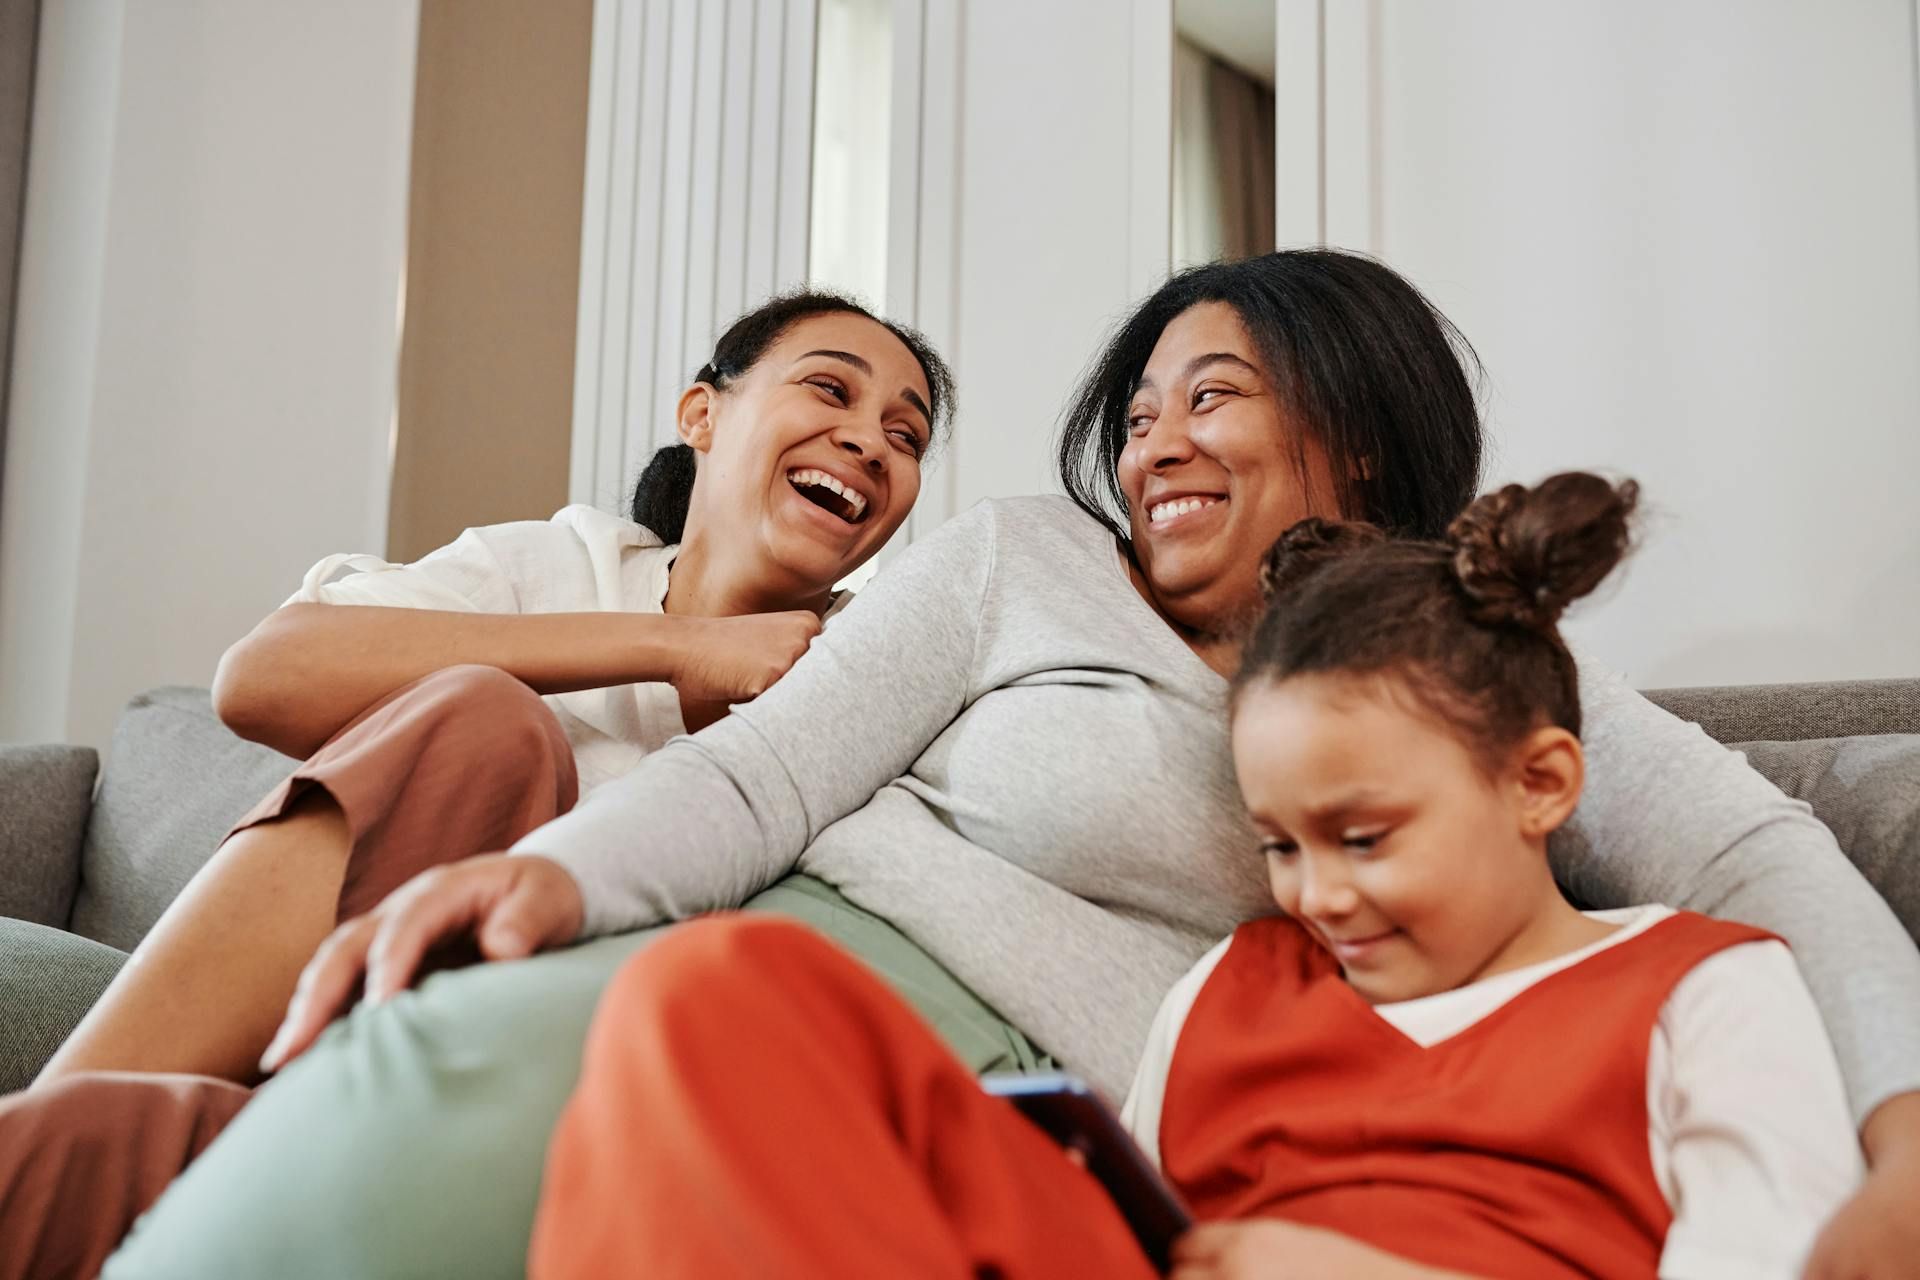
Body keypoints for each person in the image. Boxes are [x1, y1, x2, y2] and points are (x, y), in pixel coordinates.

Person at [100, 252, 1920, 1280]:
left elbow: (1765, 864)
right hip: (751, 971)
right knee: (292, 1165)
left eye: (1208, 396)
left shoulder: (1475, 667)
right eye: (1133, 419)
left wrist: (1900, 1137)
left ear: (1355, 424)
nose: (1151, 450)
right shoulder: (1014, 566)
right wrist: (558, 873)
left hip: (1030, 1136)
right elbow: (768, 782)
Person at [523, 472, 1864, 1279]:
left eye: (1365, 836)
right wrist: (795, 791)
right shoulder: (1242, 981)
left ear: (1541, 785)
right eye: (1279, 844)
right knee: (712, 993)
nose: (1315, 893)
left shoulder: (1702, 987)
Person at [0, 289, 953, 1280]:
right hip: (329, 1050)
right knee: (488, 725)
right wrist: (681, 644)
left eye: (905, 434)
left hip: (534, 1097)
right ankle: (82, 1122)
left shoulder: (878, 673)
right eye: (829, 389)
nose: (871, 443)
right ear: (701, 415)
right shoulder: (559, 565)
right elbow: (262, 678)